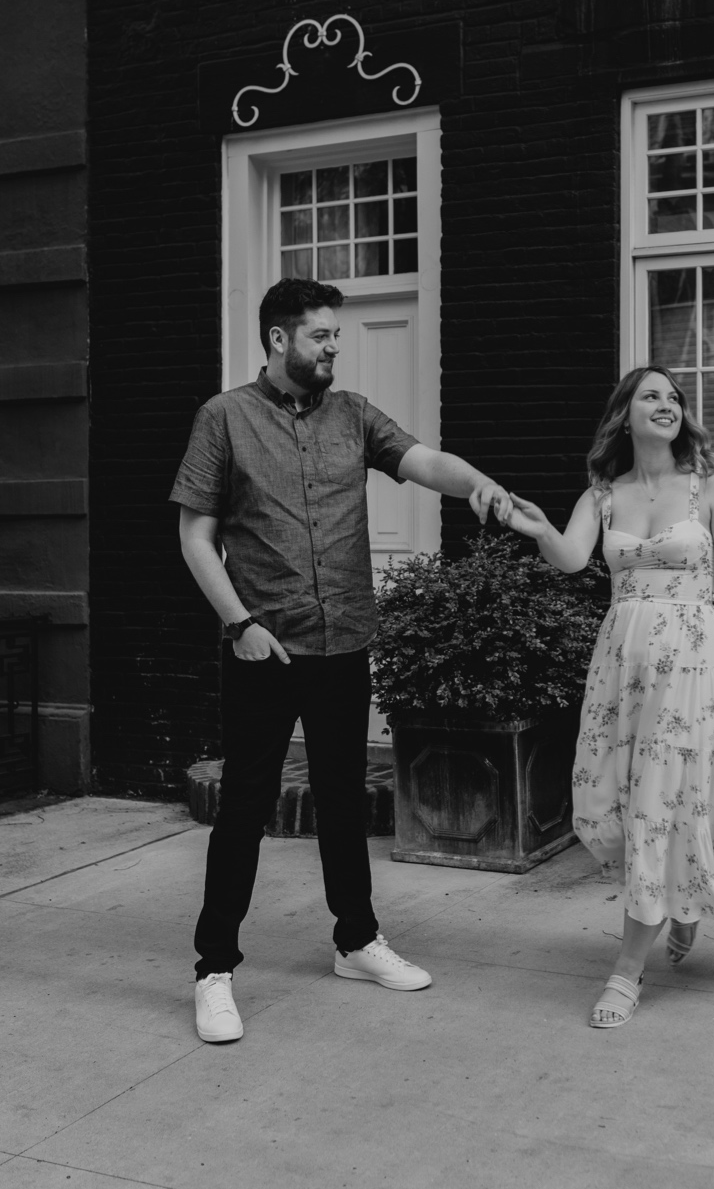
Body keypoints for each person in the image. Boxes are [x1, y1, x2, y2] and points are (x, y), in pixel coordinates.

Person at [172, 277, 514, 1045]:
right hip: (264, 646)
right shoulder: (224, 418)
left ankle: (356, 941)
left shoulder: (353, 414)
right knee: (245, 809)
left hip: (344, 641)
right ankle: (214, 969)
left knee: (342, 797)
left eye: (336, 335)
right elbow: (196, 536)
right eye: (321, 335)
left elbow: (424, 461)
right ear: (278, 339)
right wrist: (240, 624)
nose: (334, 346)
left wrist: (479, 485)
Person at [502, 364, 714, 1027]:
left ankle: (627, 968)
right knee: (612, 798)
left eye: (673, 397)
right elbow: (572, 557)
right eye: (650, 395)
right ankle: (678, 901)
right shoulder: (603, 495)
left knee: (662, 800)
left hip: (694, 660)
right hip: (621, 666)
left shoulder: (709, 488)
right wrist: (537, 525)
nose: (665, 403)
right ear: (624, 415)